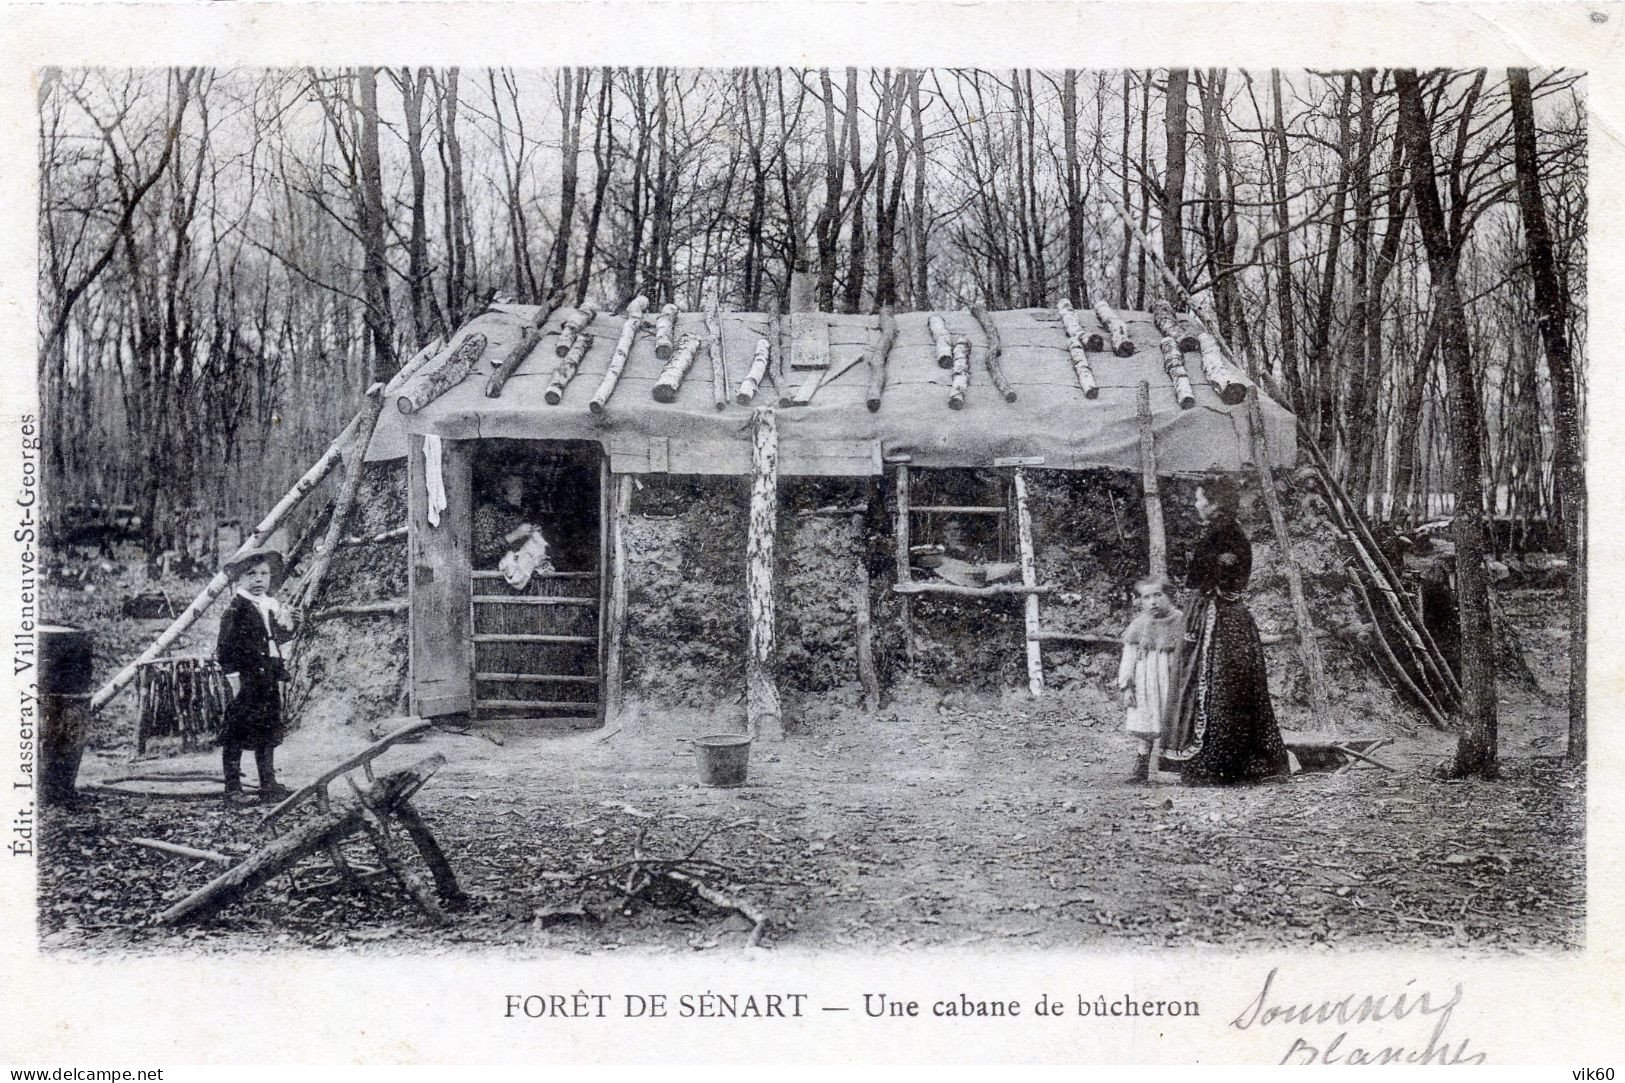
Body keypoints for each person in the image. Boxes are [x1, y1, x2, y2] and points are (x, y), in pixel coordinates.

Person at [1163, 477, 1290, 785]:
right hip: (1223, 617)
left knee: (1221, 689)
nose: (1196, 504)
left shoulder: (1226, 537)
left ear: (1215, 503)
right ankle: (1225, 762)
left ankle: (1220, 764)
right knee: (1222, 688)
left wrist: (1201, 576)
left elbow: (1208, 578)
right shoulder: (1221, 535)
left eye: (1200, 499)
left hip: (1222, 620)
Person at [216, 546, 299, 805]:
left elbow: (273, 638)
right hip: (246, 680)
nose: (259, 580)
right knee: (237, 732)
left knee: (267, 729)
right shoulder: (236, 611)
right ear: (240, 579)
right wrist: (234, 680)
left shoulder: (266, 607)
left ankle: (268, 783)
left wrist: (294, 625)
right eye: (251, 574)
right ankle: (232, 788)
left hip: (267, 679)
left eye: (264, 574)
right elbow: (225, 650)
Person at [1116, 573, 1183, 783]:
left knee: (1174, 719)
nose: (1153, 601)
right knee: (1146, 720)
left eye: (1158, 595)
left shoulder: (1181, 621)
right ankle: (1142, 766)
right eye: (1146, 597)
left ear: (1168, 595)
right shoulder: (1139, 625)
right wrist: (1126, 686)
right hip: (1146, 682)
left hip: (1172, 679)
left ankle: (1180, 766)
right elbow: (1129, 658)